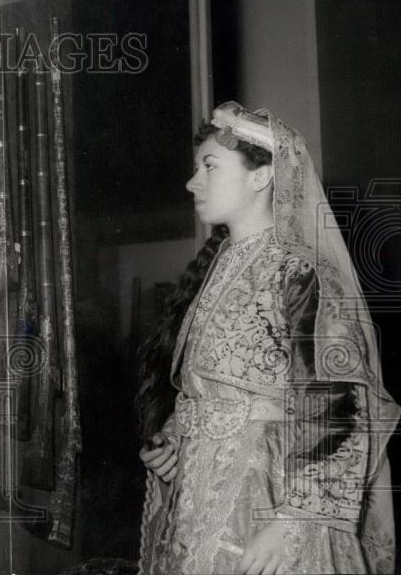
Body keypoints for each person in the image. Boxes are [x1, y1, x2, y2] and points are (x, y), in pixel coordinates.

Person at [135, 102, 399, 574]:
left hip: (266, 504)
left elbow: (335, 400)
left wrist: (295, 519)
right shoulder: (215, 268)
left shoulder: (300, 273)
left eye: (209, 167)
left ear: (261, 177)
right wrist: (172, 446)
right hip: (198, 499)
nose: (193, 182)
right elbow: (214, 394)